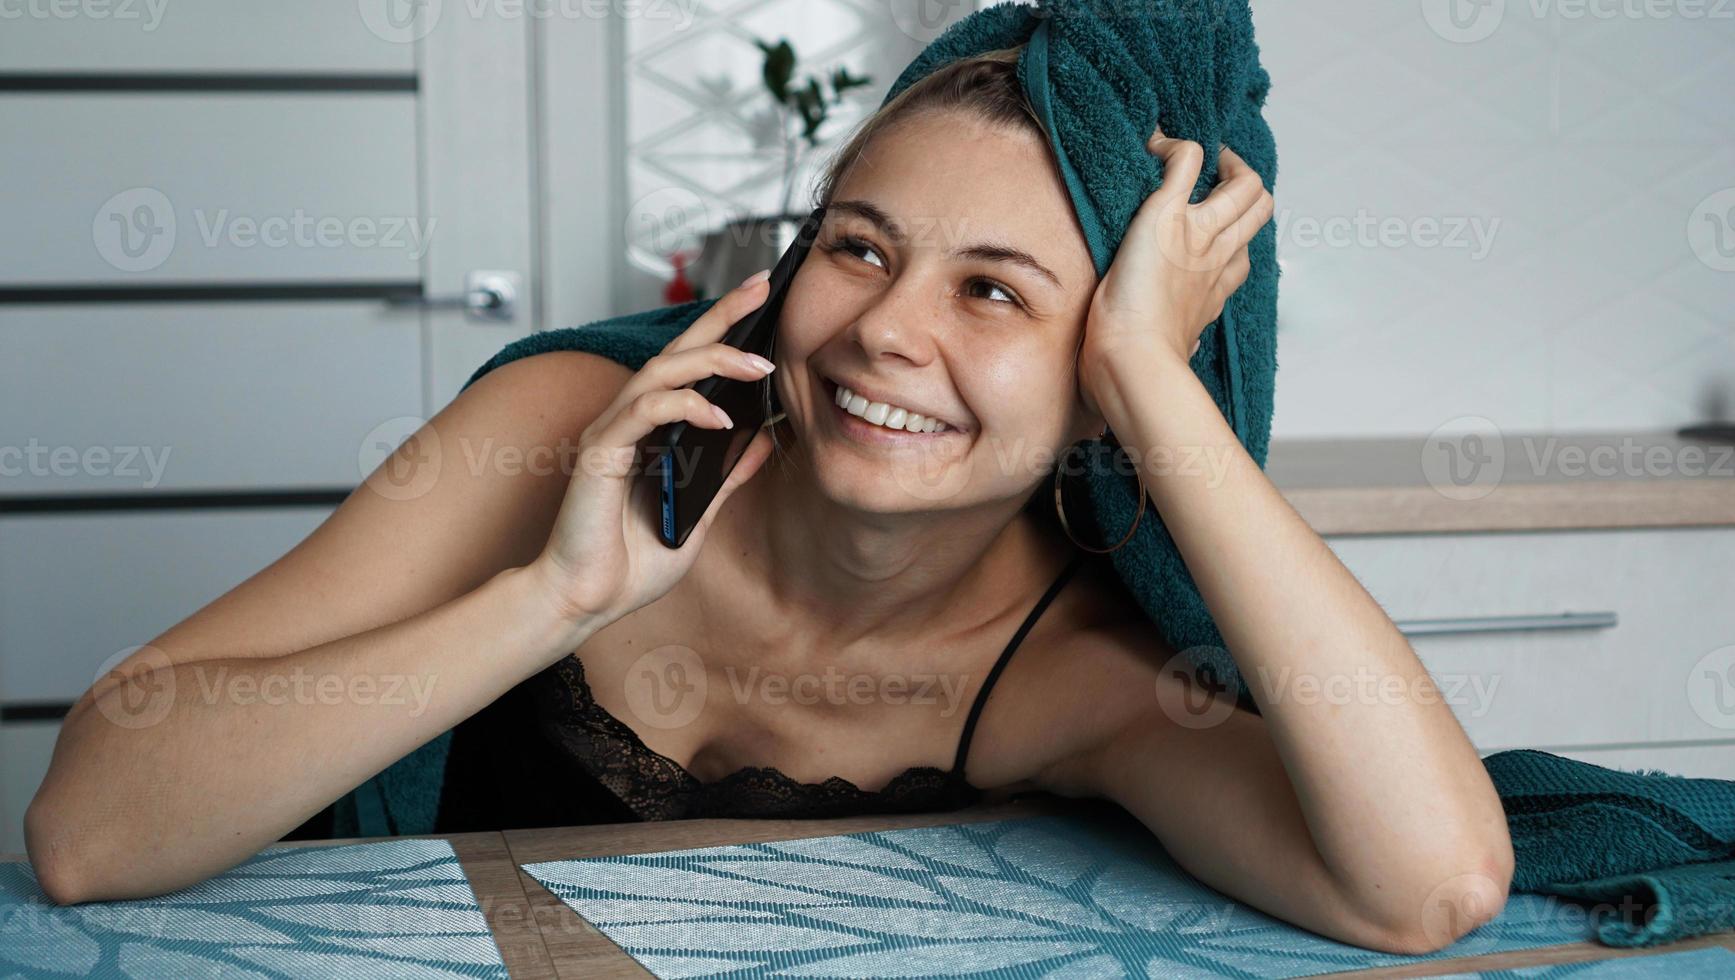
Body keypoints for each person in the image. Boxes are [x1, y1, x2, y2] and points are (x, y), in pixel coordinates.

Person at [26, 47, 1513, 955]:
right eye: (859, 248)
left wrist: (1154, 373)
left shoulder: (1063, 681)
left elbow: (1430, 888)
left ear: (1102, 395)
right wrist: (548, 600)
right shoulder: (560, 433)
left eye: (996, 292)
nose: (884, 331)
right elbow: (90, 834)